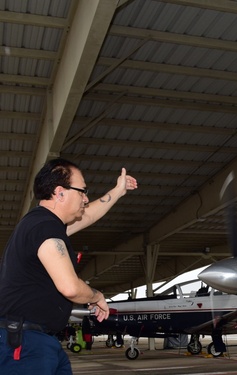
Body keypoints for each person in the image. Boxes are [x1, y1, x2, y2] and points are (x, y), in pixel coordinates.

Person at [0, 158, 137, 374]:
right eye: (82, 191)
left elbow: (89, 214)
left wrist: (118, 190)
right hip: (26, 345)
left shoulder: (43, 224)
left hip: (38, 341)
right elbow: (70, 287)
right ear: (60, 192)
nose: (85, 198)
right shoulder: (44, 227)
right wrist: (96, 295)